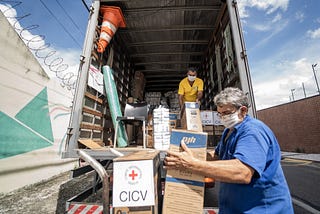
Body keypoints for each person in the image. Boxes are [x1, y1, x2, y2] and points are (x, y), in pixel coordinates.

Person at [164, 87, 294, 213]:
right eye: (219, 114)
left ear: (242, 111)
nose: (222, 118)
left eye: (226, 113)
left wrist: (191, 164)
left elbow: (243, 172)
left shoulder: (253, 131)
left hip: (261, 209)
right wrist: (193, 154)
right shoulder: (229, 131)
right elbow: (217, 154)